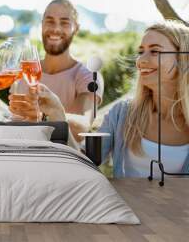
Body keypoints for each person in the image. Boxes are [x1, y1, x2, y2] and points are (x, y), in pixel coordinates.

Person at [11, 20, 189, 177]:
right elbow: (84, 166)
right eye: (141, 51)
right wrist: (58, 115)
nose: (141, 60)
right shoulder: (122, 114)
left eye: (155, 51)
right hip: (128, 214)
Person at [10, 0, 103, 140]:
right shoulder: (24, 72)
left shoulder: (88, 76)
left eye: (64, 22)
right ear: (41, 25)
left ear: (76, 28)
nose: (56, 29)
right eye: (50, 21)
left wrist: (42, 116)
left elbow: (82, 127)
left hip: (61, 159)